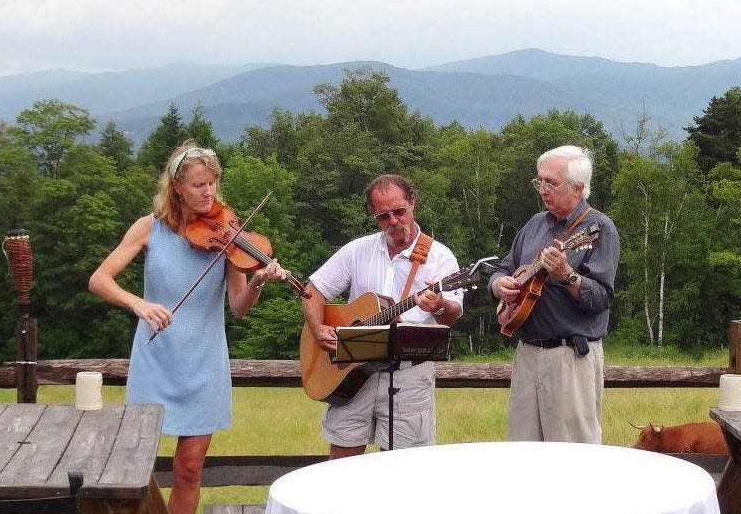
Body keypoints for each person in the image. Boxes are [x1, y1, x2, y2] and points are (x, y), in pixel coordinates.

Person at [88, 142, 289, 514]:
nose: (209, 192)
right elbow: (99, 279)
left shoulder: (228, 234)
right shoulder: (148, 227)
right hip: (156, 358)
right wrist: (139, 303)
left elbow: (239, 307)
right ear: (177, 187)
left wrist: (258, 281)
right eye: (199, 185)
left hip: (205, 361)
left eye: (213, 183)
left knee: (190, 469)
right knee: (134, 468)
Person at [303, 174, 463, 459]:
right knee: (341, 468)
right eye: (383, 216)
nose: (393, 221)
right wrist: (317, 328)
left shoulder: (440, 257)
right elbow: (313, 291)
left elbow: (452, 315)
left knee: (404, 472)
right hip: (352, 374)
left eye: (399, 211)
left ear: (413, 203)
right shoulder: (358, 250)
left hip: (409, 375)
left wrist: (438, 305)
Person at [489, 145, 620, 443]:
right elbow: (502, 269)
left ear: (578, 188)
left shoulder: (599, 229)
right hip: (527, 354)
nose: (543, 189)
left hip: (569, 357)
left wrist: (567, 275)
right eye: (540, 181)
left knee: (572, 458)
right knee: (523, 452)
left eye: (551, 183)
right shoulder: (534, 224)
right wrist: (498, 285)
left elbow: (601, 299)